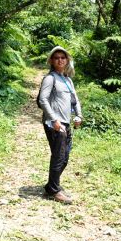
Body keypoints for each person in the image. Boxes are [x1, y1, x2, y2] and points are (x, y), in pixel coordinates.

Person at [37, 46, 83, 204]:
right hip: (54, 123)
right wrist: (54, 120)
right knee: (58, 157)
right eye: (56, 57)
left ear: (67, 60)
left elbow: (75, 100)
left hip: (66, 122)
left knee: (65, 157)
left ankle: (51, 186)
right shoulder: (50, 78)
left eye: (63, 57)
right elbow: (43, 100)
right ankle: (54, 191)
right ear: (51, 60)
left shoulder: (68, 79)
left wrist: (79, 115)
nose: (60, 60)